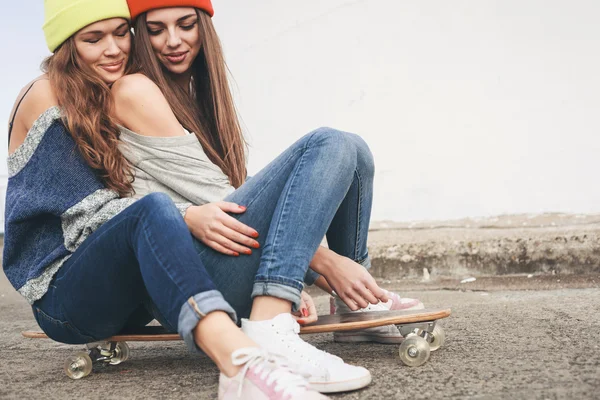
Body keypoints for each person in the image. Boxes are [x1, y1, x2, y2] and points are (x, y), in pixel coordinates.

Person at [4, 1, 327, 398]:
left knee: (333, 150)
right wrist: (187, 215)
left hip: (133, 287)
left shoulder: (106, 93)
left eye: (121, 33)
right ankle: (242, 364)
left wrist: (294, 267)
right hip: (63, 296)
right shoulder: (45, 94)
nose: (113, 49)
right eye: (93, 38)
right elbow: (88, 215)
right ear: (65, 47)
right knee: (153, 211)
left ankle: (283, 322)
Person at [112, 0, 423, 391]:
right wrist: (323, 263)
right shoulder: (135, 89)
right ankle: (269, 324)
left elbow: (235, 195)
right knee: (329, 144)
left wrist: (310, 268)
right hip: (185, 279)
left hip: (219, 252)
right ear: (141, 35)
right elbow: (220, 195)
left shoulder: (194, 95)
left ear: (203, 26)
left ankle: (353, 301)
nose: (173, 41)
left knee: (354, 150)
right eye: (156, 29)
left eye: (186, 24)